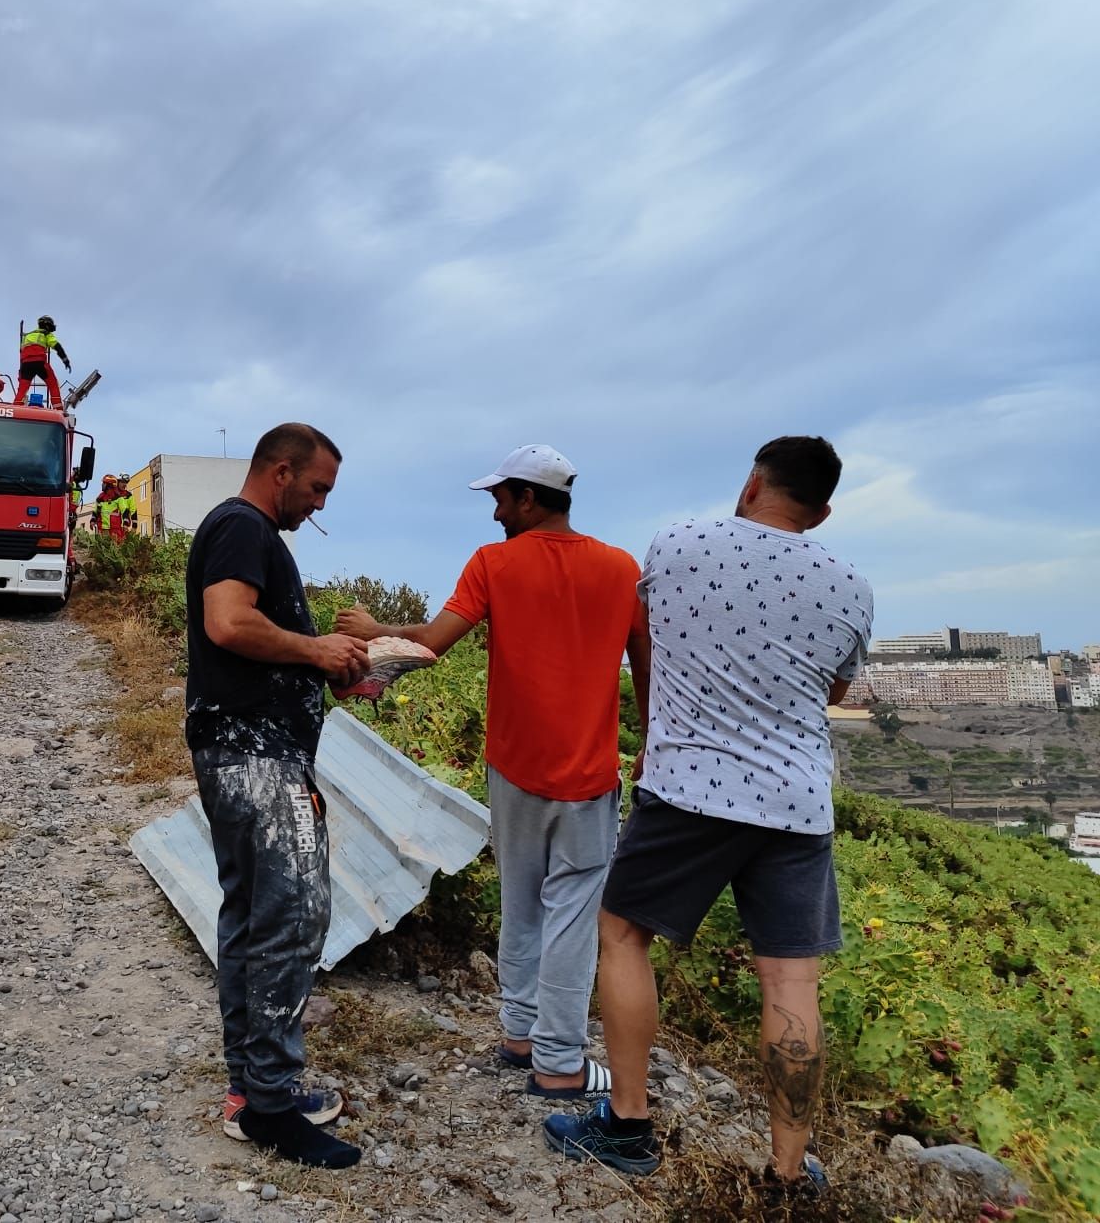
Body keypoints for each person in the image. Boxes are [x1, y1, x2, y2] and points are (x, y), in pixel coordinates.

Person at [544, 436, 873, 1193]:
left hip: (689, 786)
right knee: (792, 983)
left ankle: (626, 1127)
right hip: (795, 804)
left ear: (754, 481)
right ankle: (788, 1177)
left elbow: (653, 639)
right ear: (822, 513)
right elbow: (834, 696)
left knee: (623, 934)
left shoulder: (679, 544)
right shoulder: (851, 585)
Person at [336, 444, 646, 1101]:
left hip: (513, 769)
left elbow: (430, 644)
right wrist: (651, 742)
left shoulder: (494, 564)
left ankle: (521, 1035)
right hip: (590, 776)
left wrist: (371, 631)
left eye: (501, 499)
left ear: (529, 499)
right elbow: (647, 665)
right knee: (571, 913)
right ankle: (560, 1061)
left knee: (522, 902)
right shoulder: (622, 569)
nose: (497, 512)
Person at [187, 423, 370, 1169]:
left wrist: (331, 665)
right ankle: (270, 1106)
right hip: (255, 757)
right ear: (282, 471)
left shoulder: (250, 534)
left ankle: (252, 1089)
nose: (319, 505)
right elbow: (227, 624)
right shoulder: (241, 526)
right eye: (317, 488)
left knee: (254, 915)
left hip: (245, 752)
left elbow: (251, 637)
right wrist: (315, 649)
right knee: (293, 919)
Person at [14, 315, 71, 407]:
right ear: (47, 326)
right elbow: (57, 347)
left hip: (25, 364)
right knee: (53, 384)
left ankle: (16, 408)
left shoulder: (28, 335)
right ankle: (58, 409)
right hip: (39, 362)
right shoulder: (46, 334)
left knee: (22, 388)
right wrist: (65, 360)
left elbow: (22, 351)